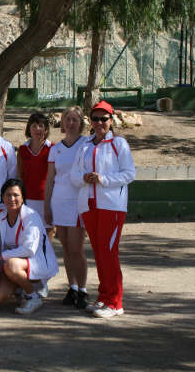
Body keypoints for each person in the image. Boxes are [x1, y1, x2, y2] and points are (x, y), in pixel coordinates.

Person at [70, 100, 135, 318]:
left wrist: (103, 179)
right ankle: (104, 296)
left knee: (108, 252)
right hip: (88, 205)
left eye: (104, 119)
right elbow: (73, 175)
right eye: (95, 119)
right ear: (90, 121)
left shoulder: (119, 144)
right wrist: (84, 178)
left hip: (111, 206)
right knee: (99, 252)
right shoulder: (85, 145)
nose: (99, 123)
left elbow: (129, 173)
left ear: (111, 120)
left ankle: (115, 302)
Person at [44, 106, 89, 309]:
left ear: (81, 123)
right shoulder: (55, 149)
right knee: (66, 249)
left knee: (76, 249)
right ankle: (72, 287)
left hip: (77, 203)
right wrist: (47, 206)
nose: (71, 123)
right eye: (67, 119)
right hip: (58, 202)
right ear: (62, 123)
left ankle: (83, 290)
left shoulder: (87, 144)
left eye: (74, 119)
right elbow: (50, 180)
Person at [0, 179, 59, 315]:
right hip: (14, 264)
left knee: (11, 265)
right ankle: (20, 288)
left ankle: (33, 296)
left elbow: (29, 250)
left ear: (23, 198)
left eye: (16, 195)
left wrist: (2, 255)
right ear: (2, 197)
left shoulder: (31, 216)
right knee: (0, 296)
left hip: (35, 262)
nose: (12, 199)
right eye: (8, 195)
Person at [17, 112, 54, 240]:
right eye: (34, 126)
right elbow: (20, 175)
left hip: (48, 200)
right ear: (29, 129)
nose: (38, 129)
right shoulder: (22, 149)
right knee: (30, 236)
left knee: (47, 237)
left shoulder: (53, 148)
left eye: (41, 126)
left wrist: (49, 203)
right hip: (28, 200)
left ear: (46, 129)